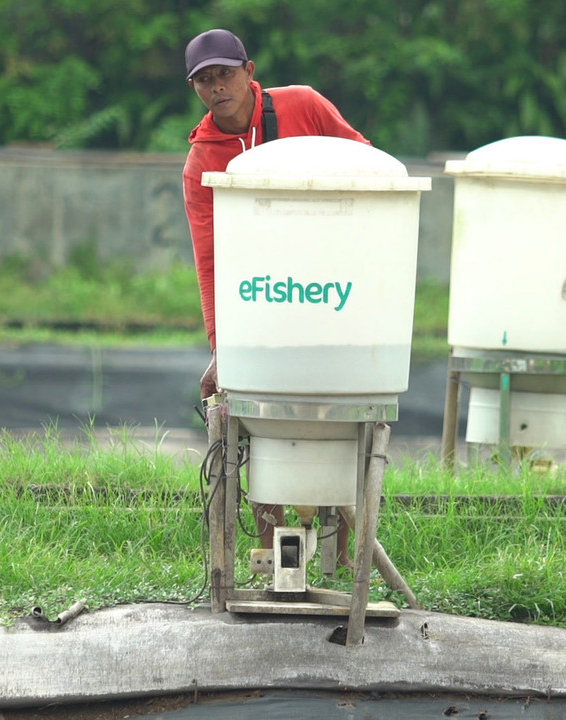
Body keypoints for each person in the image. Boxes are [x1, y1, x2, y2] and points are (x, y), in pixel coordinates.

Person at [181, 28, 369, 550]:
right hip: (262, 296)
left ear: (249, 72)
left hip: (328, 286)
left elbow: (365, 163)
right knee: (251, 409)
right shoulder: (202, 163)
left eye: (225, 74)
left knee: (336, 410)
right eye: (204, 80)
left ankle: (343, 550)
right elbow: (209, 259)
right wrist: (221, 346)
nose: (217, 87)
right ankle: (269, 548)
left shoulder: (302, 106)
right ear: (195, 88)